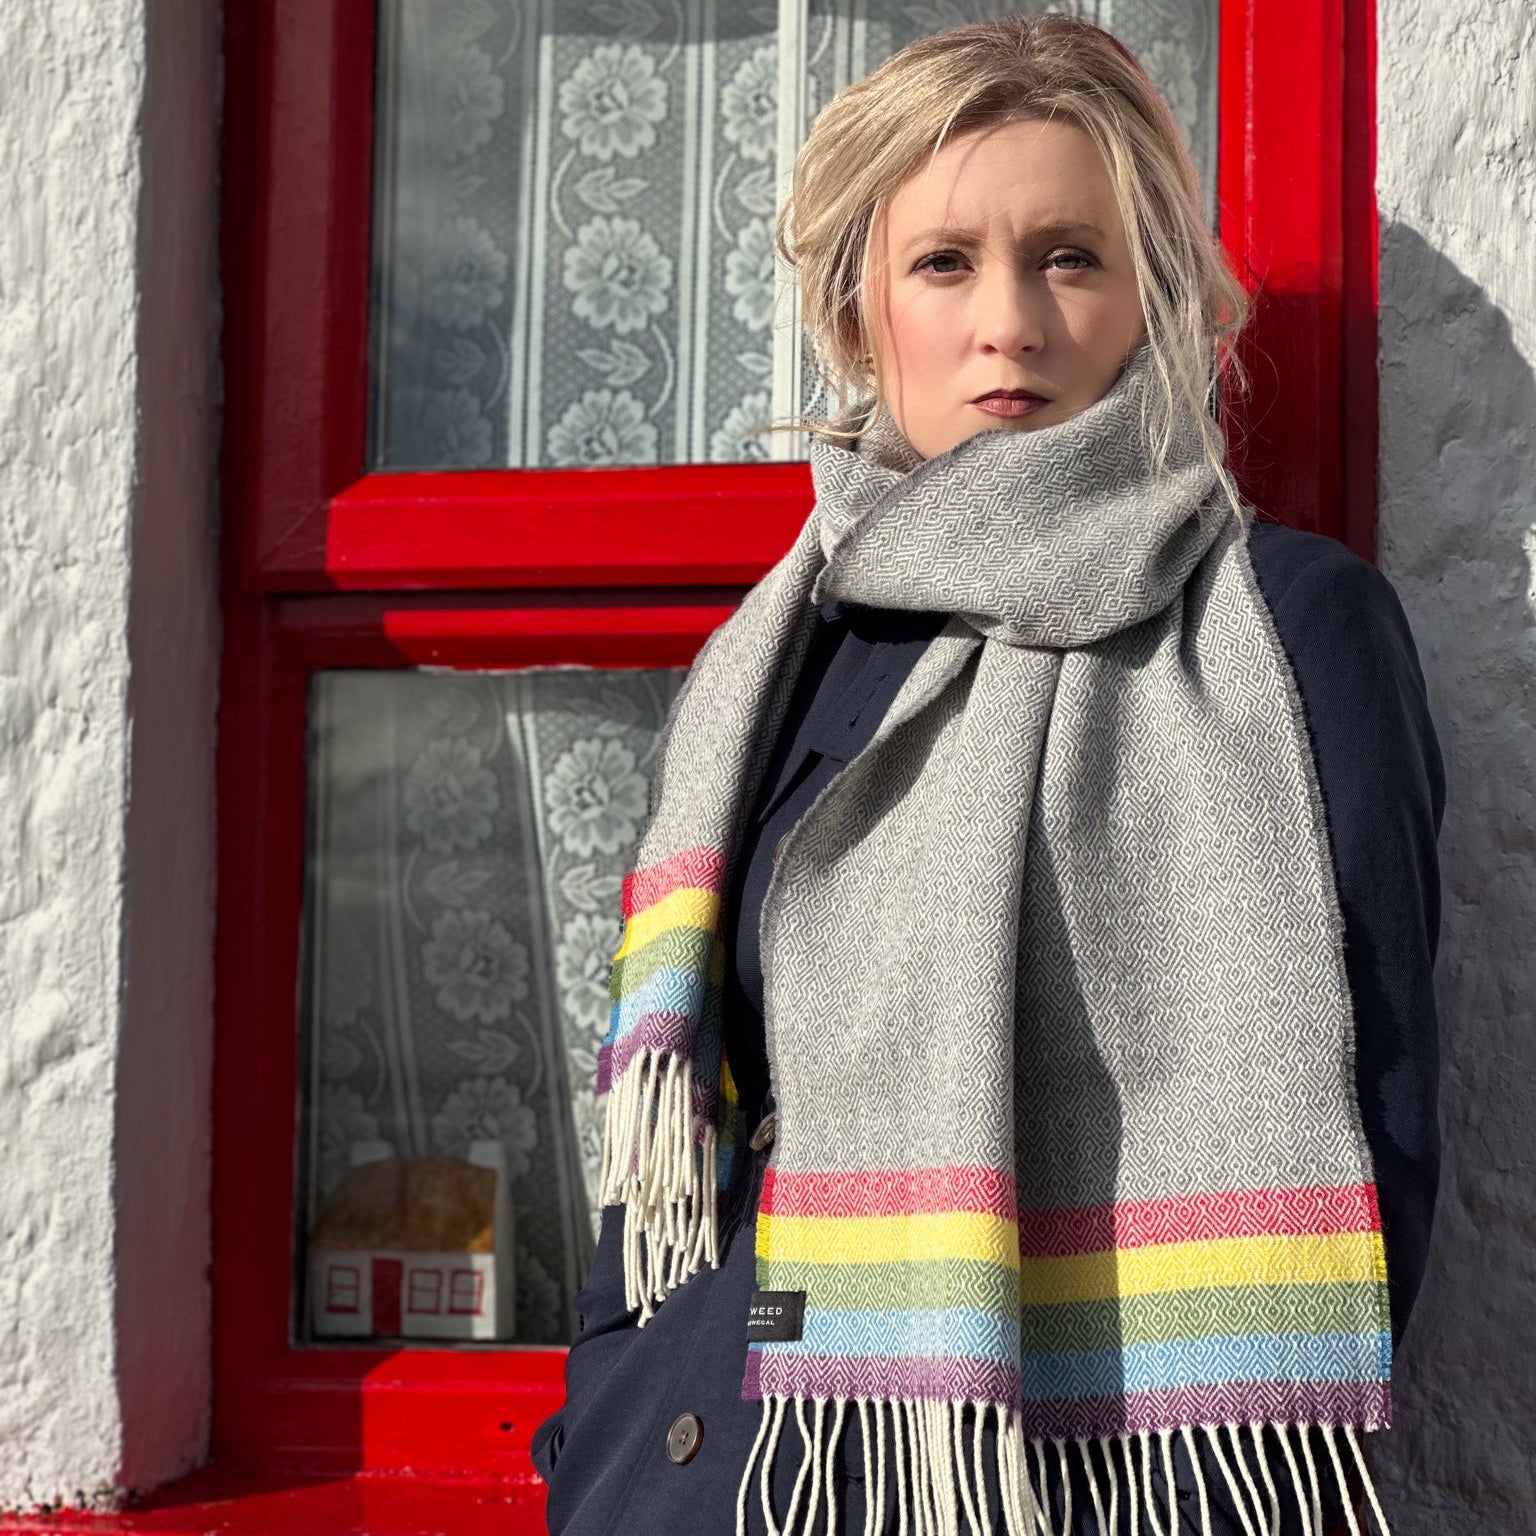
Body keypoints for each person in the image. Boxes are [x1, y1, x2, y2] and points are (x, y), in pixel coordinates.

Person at [530, 15, 1444, 1536]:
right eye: (945, 262)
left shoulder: (1290, 631)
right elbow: (674, 1128)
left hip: (1041, 1488)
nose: (1007, 322)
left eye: (1070, 257)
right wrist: (591, 1428)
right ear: (860, 308)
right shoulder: (775, 656)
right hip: (685, 1476)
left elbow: (1376, 1137)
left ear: (1150, 298)